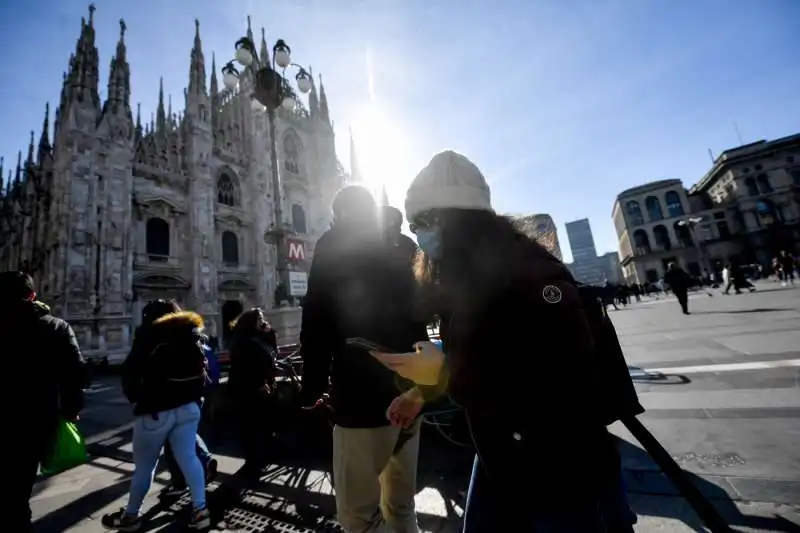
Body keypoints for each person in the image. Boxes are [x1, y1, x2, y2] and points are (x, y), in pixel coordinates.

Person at [374, 151, 616, 531]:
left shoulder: (529, 274)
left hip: (555, 467)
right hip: (502, 453)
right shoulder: (471, 276)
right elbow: (484, 351)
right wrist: (421, 392)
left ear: (451, 219)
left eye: (420, 221)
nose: (416, 234)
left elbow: (560, 379)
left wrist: (443, 373)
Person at [300, 186, 431, 533]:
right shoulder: (405, 246)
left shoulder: (335, 242)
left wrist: (310, 388)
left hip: (361, 396)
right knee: (401, 506)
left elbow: (316, 321)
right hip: (409, 394)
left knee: (358, 517)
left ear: (340, 213)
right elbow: (424, 315)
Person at [103, 300, 210, 531]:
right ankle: (201, 511)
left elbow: (130, 373)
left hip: (155, 411)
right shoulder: (193, 334)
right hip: (189, 408)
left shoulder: (149, 335)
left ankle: (131, 516)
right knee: (189, 458)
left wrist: (138, 399)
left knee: (145, 467)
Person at [2, 271, 86, 532]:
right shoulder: (56, 326)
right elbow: (77, 373)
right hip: (36, 419)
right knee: (19, 488)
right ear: (33, 295)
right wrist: (72, 409)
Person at [227, 307, 278, 475]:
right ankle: (253, 462)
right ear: (251, 321)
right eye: (260, 318)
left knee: (262, 426)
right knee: (252, 427)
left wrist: (270, 333)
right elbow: (244, 368)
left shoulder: (258, 338)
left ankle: (259, 459)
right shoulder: (244, 341)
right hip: (250, 389)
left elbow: (273, 355)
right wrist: (258, 384)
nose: (262, 321)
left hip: (263, 387)